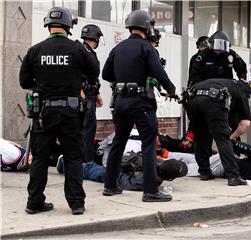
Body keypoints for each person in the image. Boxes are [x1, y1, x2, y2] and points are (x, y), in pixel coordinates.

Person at [19, 7, 100, 215]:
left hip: (43, 114)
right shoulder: (77, 49)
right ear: (68, 26)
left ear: (48, 25)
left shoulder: (35, 50)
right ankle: (76, 204)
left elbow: (24, 82)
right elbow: (94, 72)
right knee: (73, 157)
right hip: (70, 113)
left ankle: (34, 202)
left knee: (40, 158)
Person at [102, 10, 177, 202]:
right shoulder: (147, 48)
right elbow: (159, 73)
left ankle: (110, 186)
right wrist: (171, 90)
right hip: (141, 102)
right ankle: (150, 191)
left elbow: (106, 75)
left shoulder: (118, 48)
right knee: (149, 144)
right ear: (147, 27)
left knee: (119, 142)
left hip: (120, 102)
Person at [186, 78, 251, 186]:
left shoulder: (226, 83)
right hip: (213, 99)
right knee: (223, 139)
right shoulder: (241, 91)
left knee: (201, 136)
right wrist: (232, 137)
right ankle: (233, 176)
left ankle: (204, 172)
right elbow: (245, 124)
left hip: (192, 98)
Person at [57, 152, 188, 191]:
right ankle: (63, 164)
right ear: (169, 178)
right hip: (118, 172)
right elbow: (123, 182)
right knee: (93, 171)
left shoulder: (158, 167)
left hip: (124, 168)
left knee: (93, 168)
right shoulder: (142, 181)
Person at [80, 24, 104, 163]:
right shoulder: (82, 51)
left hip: (90, 94)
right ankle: (86, 162)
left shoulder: (88, 52)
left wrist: (97, 94)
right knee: (87, 129)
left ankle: (87, 160)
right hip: (84, 96)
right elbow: (76, 73)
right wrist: (80, 91)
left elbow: (92, 77)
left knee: (89, 128)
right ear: (95, 37)